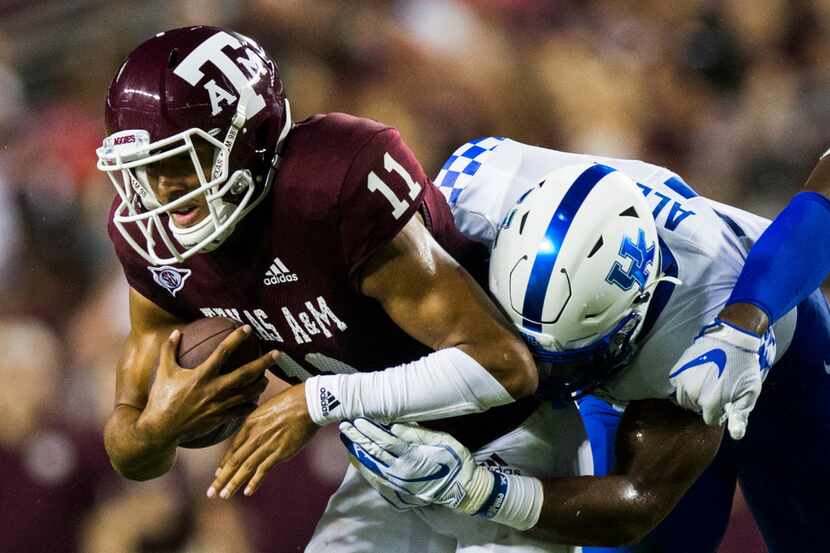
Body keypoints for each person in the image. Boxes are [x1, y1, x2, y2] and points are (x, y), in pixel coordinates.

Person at [96, 26, 609, 553]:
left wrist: (317, 401)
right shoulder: (152, 238)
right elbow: (130, 449)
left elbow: (505, 366)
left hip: (511, 440)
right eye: (144, 168)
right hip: (389, 458)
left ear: (248, 138)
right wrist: (158, 429)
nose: (161, 191)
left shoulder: (332, 186)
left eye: (180, 161)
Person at [342, 137, 830, 552]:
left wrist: (475, 488)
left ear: (636, 308)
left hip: (755, 352)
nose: (545, 374)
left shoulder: (697, 321)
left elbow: (637, 500)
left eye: (570, 358)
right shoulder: (468, 205)